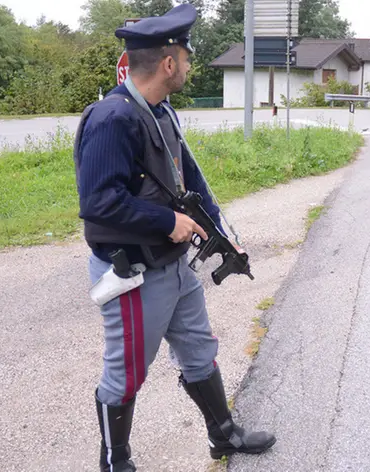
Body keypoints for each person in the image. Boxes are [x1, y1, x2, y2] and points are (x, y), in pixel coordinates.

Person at [72, 4, 276, 471]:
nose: (189, 65)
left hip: (174, 266)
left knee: (199, 348)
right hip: (135, 272)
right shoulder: (112, 119)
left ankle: (223, 436)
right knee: (125, 374)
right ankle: (115, 463)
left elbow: (186, 181)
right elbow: (98, 202)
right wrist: (168, 223)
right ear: (168, 63)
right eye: (185, 57)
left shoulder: (161, 112)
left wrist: (221, 231)